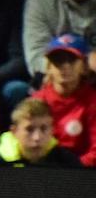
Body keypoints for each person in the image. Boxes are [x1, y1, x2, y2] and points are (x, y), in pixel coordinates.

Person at [34, 32, 96, 165]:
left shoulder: (93, 102)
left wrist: (71, 172)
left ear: (84, 67)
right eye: (58, 60)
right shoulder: (37, 101)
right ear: (49, 67)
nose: (65, 66)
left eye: (72, 59)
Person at [0, 97, 81, 166]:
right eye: (29, 129)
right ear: (14, 132)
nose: (37, 137)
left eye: (44, 129)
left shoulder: (68, 162)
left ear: (52, 130)